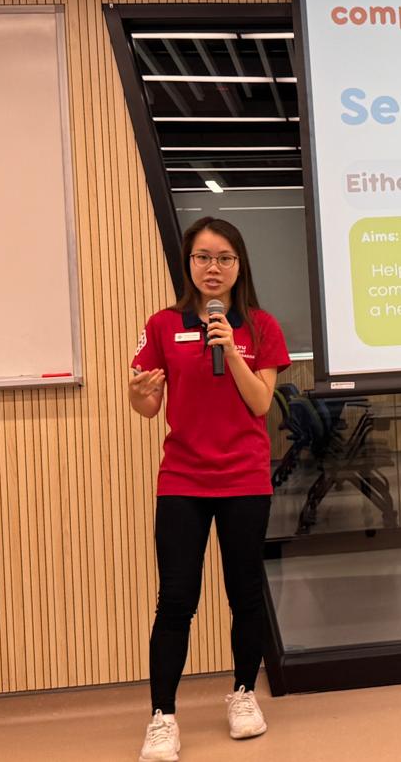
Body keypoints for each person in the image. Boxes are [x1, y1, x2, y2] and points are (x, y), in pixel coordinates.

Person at [129, 217, 290, 762]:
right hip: (183, 479)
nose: (212, 268)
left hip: (244, 477)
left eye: (224, 258)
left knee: (244, 593)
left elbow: (261, 403)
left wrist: (232, 349)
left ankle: (243, 694)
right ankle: (162, 717)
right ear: (188, 264)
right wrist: (138, 393)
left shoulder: (261, 327)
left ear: (239, 265)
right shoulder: (162, 324)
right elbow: (148, 406)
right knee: (176, 597)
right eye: (202, 257)